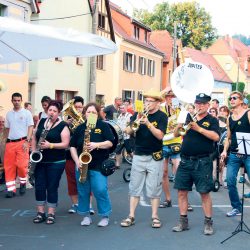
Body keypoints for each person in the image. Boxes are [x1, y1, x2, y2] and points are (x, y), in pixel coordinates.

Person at [172, 93, 220, 235]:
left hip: (203, 161)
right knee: (181, 192)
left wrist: (198, 128)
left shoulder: (212, 120)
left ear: (208, 105)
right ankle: (183, 221)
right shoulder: (188, 117)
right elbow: (176, 134)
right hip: (186, 160)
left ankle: (208, 222)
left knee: (204, 193)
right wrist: (180, 123)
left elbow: (216, 136)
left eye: (203, 104)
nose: (199, 106)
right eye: (197, 103)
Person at [120, 89, 168, 229]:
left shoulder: (162, 116)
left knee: (154, 188)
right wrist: (136, 121)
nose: (147, 103)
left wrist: (147, 123)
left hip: (155, 156)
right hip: (139, 154)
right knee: (134, 186)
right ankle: (131, 215)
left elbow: (160, 136)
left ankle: (154, 216)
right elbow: (128, 131)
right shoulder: (137, 114)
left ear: (157, 103)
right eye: (145, 101)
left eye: (150, 101)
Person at [70, 102, 114, 227]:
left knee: (100, 189)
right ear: (84, 113)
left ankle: (105, 215)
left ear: (98, 114)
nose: (91, 114)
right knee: (83, 191)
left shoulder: (103, 126)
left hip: (98, 164)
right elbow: (72, 146)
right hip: (82, 164)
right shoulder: (80, 128)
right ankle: (85, 215)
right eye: (88, 112)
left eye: (94, 112)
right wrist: (77, 161)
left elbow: (110, 142)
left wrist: (96, 145)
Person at [32, 100, 70, 225]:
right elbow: (34, 136)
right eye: (50, 110)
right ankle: (40, 213)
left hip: (56, 161)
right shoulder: (42, 121)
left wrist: (50, 145)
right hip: (40, 160)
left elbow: (66, 144)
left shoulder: (63, 125)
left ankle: (51, 213)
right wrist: (33, 152)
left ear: (58, 113)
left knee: (52, 186)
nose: (51, 113)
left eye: (54, 111)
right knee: (39, 186)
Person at [221, 91, 250, 216]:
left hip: (248, 153)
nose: (231, 100)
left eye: (234, 98)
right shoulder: (229, 118)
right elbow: (228, 138)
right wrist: (224, 150)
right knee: (231, 181)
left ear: (241, 100)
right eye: (230, 98)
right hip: (234, 154)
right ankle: (236, 207)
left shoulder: (248, 114)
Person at [4, 93, 34, 198]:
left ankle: (22, 183)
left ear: (21, 101)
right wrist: (6, 140)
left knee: (22, 165)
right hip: (10, 143)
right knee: (9, 167)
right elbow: (7, 129)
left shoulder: (26, 113)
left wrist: (27, 141)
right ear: (11, 101)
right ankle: (11, 190)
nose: (16, 102)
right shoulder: (8, 114)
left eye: (18, 100)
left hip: (22, 142)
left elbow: (30, 127)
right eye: (14, 100)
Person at [160, 90, 182, 208]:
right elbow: (156, 97)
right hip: (163, 142)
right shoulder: (161, 108)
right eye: (168, 96)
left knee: (180, 172)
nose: (171, 98)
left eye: (173, 96)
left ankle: (184, 201)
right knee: (164, 173)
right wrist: (167, 89)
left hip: (176, 142)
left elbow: (182, 125)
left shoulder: (180, 108)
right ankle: (168, 199)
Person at [115, 104, 133, 169]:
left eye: (123, 108)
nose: (121, 109)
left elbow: (131, 125)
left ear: (126, 108)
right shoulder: (119, 116)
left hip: (127, 136)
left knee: (129, 150)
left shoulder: (130, 115)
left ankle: (135, 162)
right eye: (120, 108)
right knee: (118, 150)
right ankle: (117, 164)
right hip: (120, 136)